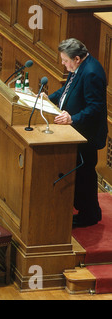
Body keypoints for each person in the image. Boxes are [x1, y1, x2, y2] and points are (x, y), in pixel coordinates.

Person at [47, 38, 108, 227]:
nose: (64, 65)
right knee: (80, 173)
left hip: (86, 134)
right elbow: (65, 91)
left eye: (66, 61)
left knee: (85, 174)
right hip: (75, 132)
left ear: (78, 58)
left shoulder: (91, 73)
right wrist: (46, 100)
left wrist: (73, 118)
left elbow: (96, 107)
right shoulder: (78, 68)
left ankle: (89, 215)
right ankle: (86, 211)